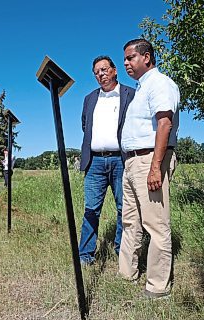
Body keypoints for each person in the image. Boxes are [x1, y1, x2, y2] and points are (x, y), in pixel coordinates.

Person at [118, 39, 180, 299]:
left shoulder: (160, 83)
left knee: (155, 224)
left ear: (147, 57)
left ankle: (157, 287)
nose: (126, 64)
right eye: (124, 60)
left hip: (149, 160)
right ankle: (127, 274)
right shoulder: (141, 89)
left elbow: (164, 124)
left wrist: (156, 167)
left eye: (130, 58)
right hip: (132, 162)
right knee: (130, 220)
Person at [78, 55, 135, 266]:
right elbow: (86, 126)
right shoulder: (90, 98)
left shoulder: (131, 94)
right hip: (95, 163)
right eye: (96, 73)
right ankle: (85, 255)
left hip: (121, 161)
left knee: (124, 208)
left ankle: (122, 251)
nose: (100, 74)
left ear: (114, 70)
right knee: (91, 209)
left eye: (104, 70)